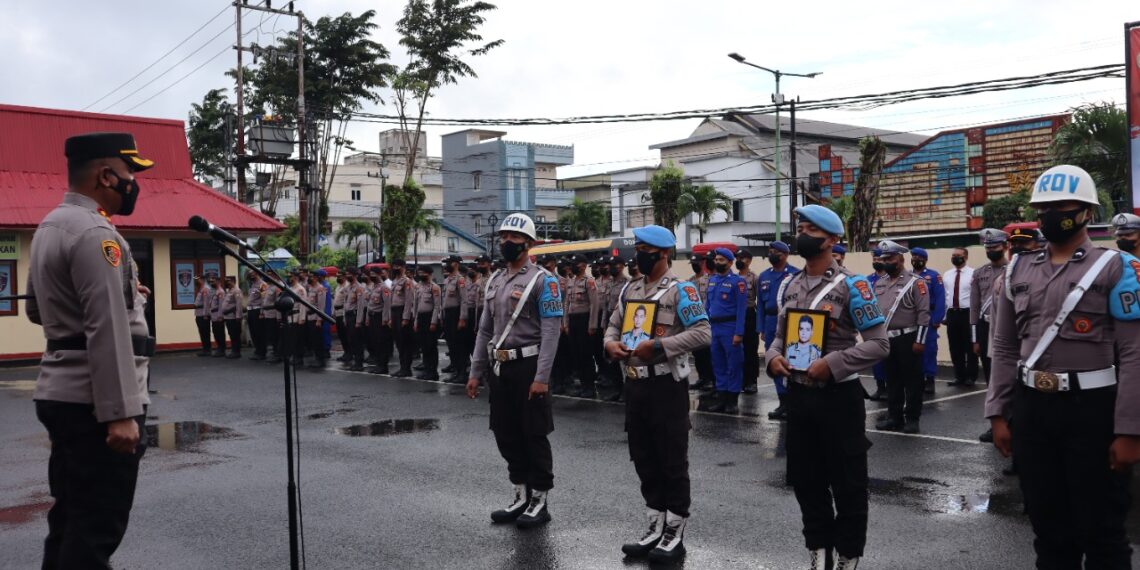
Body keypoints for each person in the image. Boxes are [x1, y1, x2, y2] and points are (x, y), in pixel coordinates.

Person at [986, 164, 1140, 568]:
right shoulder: (1018, 268)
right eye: (1043, 207)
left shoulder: (1117, 267)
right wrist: (998, 411)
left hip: (1092, 410)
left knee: (1102, 532)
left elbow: (1134, 352)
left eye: (1062, 206)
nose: (1050, 214)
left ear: (1087, 211)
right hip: (1033, 410)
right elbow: (1004, 346)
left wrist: (1129, 430)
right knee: (1048, 530)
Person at [26, 132, 156, 568]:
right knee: (96, 531)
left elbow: (39, 311)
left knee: (70, 520)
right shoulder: (95, 233)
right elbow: (105, 325)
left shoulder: (51, 225)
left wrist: (128, 295)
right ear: (105, 175)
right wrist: (119, 412)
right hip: (93, 404)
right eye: (128, 175)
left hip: (61, 393)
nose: (133, 184)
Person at [766, 205, 888, 570]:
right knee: (806, 482)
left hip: (839, 399)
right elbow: (778, 339)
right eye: (800, 227)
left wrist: (832, 364)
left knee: (848, 485)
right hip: (800, 399)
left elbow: (879, 344)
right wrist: (772, 359)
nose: (802, 234)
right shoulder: (790, 284)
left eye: (811, 229)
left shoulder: (854, 285)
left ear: (832, 240)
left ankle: (848, 558)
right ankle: (818, 553)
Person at [605, 225, 710, 563]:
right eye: (637, 247)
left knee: (671, 460)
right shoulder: (630, 290)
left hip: (666, 385)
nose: (639, 254)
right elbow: (612, 325)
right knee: (644, 457)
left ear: (663, 253)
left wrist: (662, 345)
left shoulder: (681, 291)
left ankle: (674, 532)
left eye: (645, 249)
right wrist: (611, 344)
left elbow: (703, 333)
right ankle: (654, 525)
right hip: (635, 384)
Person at [466, 213, 563, 530]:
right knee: (505, 432)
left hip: (529, 365)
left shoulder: (544, 280)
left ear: (529, 244)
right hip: (500, 366)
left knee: (533, 433)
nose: (507, 242)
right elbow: (484, 330)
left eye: (514, 238)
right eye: (503, 237)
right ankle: (520, 493)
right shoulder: (494, 280)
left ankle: (539, 500)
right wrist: (475, 371)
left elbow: (551, 333)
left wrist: (542, 378)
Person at [872, 240, 931, 434]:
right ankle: (894, 417)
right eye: (884, 258)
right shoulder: (879, 283)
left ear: (901, 258)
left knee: (913, 381)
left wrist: (920, 341)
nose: (887, 261)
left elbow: (924, 314)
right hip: (887, 339)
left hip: (909, 338)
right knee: (893, 380)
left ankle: (912, 419)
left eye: (890, 258)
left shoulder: (916, 282)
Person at [758, 241, 800, 418]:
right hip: (769, 321)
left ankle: (793, 402)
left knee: (790, 360)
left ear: (785, 255)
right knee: (773, 361)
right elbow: (760, 304)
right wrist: (760, 327)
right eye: (770, 251)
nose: (772, 254)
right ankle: (782, 401)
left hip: (788, 321)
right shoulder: (764, 275)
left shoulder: (795, 274)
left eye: (776, 252)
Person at [706, 247, 746, 414]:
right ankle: (721, 398)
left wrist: (739, 332)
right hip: (714, 328)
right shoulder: (713, 280)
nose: (717, 263)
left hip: (730, 328)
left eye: (721, 260)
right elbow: (707, 305)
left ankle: (732, 400)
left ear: (730, 263)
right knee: (718, 364)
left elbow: (741, 309)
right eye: (716, 260)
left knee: (733, 365)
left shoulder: (738, 282)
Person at [971, 228, 1009, 386]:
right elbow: (974, 307)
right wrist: (975, 339)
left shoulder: (1016, 269)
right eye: (988, 248)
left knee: (1008, 367)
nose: (991, 251)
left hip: (1007, 325)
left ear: (1005, 247)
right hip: (985, 326)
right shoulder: (979, 273)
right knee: (988, 369)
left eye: (995, 247)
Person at [562, 253, 600, 398]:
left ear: (584, 265)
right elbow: (567, 303)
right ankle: (583, 385)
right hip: (573, 320)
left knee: (586, 355)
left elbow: (594, 304)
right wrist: (565, 322)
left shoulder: (588, 281)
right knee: (576, 353)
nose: (573, 266)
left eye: (576, 263)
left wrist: (592, 325)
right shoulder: (570, 281)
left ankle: (590, 387)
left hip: (584, 320)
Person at [910, 248, 945, 395]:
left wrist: (937, 319)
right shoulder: (907, 276)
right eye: (913, 256)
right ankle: (916, 379)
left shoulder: (933, 276)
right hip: (911, 319)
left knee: (929, 349)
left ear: (925, 260)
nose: (916, 259)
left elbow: (940, 298)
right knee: (912, 350)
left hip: (929, 318)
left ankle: (929, 379)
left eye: (919, 257)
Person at [943, 247, 977, 386]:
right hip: (952, 313)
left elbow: (976, 296)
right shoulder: (947, 274)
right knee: (955, 347)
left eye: (958, 255)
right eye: (953, 255)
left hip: (967, 313)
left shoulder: (973, 273)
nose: (955, 257)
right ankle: (959, 376)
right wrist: (944, 315)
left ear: (966, 257)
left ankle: (971, 376)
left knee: (970, 346)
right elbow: (946, 296)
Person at [686, 254, 714, 392]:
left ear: (703, 263)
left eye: (696, 262)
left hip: (707, 319)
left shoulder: (709, 279)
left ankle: (710, 379)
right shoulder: (689, 281)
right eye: (692, 263)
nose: (693, 265)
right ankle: (702, 377)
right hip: (694, 320)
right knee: (697, 352)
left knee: (708, 352)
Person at [735, 249, 761, 394]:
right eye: (737, 258)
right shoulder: (733, 278)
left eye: (742, 258)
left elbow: (760, 301)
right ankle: (741, 380)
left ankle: (752, 382)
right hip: (737, 315)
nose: (739, 260)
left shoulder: (755, 278)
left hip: (750, 314)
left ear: (749, 260)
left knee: (751, 350)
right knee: (738, 350)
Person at [441, 255, 469, 383]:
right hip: (448, 314)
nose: (447, 265)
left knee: (460, 345)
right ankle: (457, 371)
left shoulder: (460, 279)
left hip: (456, 314)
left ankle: (463, 373)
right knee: (451, 345)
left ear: (456, 264)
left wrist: (462, 318)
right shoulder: (447, 280)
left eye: (449, 263)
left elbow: (464, 300)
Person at [412, 266, 442, 380]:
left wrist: (434, 322)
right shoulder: (418, 287)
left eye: (423, 272)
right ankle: (426, 369)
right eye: (419, 272)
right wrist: (415, 321)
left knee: (431, 346)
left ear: (429, 274)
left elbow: (437, 306)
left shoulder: (434, 288)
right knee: (424, 346)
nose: (420, 274)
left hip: (430, 318)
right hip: (421, 318)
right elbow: (415, 305)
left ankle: (433, 372)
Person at [867, 248, 888, 401]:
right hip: (874, 324)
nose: (876, 262)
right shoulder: (867, 280)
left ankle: (892, 388)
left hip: (890, 323)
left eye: (879, 259)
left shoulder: (890, 278)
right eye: (874, 259)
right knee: (876, 358)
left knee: (891, 358)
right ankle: (880, 387)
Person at [388, 260, 416, 377]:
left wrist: (405, 318)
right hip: (394, 312)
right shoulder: (394, 281)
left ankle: (406, 368)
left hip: (402, 312)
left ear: (403, 267)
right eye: (394, 266)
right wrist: (390, 317)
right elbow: (390, 301)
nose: (396, 268)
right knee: (398, 341)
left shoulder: (407, 281)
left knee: (405, 341)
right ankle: (402, 367)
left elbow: (409, 300)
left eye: (398, 266)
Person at [305, 273, 329, 369]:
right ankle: (316, 358)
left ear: (315, 278)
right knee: (313, 340)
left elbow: (321, 306)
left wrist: (319, 320)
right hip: (310, 317)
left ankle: (320, 360)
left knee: (318, 340)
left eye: (310, 277)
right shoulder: (311, 288)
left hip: (316, 318)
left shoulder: (320, 289)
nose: (309, 278)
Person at [246, 272, 265, 360]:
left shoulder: (262, 284)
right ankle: (257, 350)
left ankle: (261, 352)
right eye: (251, 274)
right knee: (253, 332)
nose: (251, 275)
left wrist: (262, 312)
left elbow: (263, 300)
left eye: (253, 274)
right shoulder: (252, 284)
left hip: (257, 311)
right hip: (251, 311)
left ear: (258, 274)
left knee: (259, 332)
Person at [193, 276, 212, 356]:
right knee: (202, 332)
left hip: (203, 315)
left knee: (205, 333)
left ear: (202, 280)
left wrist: (205, 315)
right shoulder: (201, 289)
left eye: (197, 280)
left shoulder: (205, 289)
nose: (196, 281)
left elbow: (206, 303)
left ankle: (207, 350)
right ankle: (205, 349)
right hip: (199, 313)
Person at [209, 276, 226, 356]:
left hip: (218, 316)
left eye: (213, 281)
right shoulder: (214, 291)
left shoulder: (220, 292)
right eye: (211, 282)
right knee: (215, 332)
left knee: (220, 333)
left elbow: (221, 305)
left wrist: (220, 316)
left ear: (218, 281)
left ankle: (222, 350)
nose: (211, 283)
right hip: (213, 315)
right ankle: (219, 347)